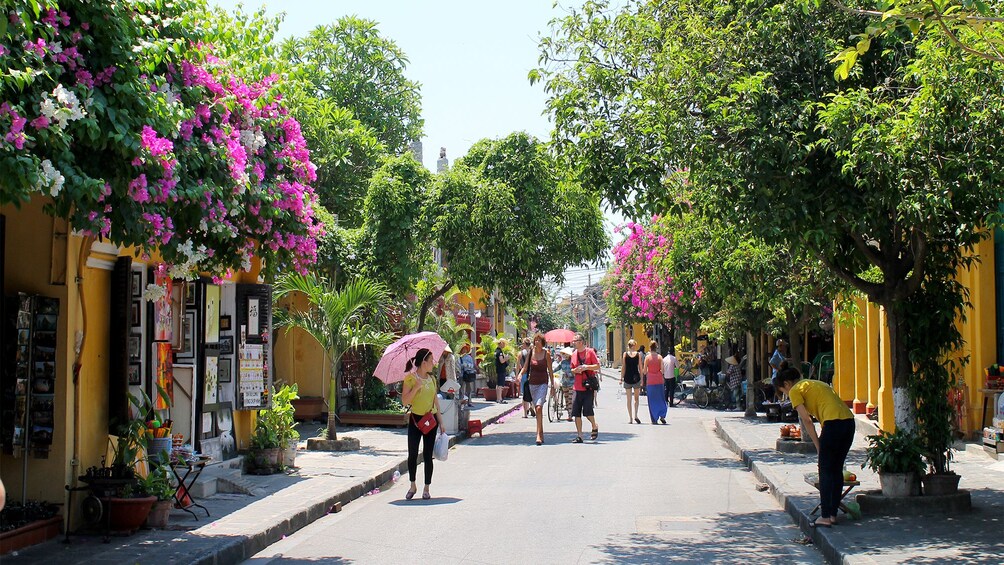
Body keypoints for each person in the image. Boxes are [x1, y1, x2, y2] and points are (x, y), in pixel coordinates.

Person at [772, 366, 855, 528]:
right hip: (849, 423)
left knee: (824, 469)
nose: (787, 396)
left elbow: (807, 421)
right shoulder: (815, 383)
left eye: (784, 391)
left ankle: (824, 516)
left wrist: (818, 445)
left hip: (832, 425)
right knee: (836, 469)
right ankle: (832, 514)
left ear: (787, 384)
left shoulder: (795, 390)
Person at [400, 348, 445, 500]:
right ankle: (412, 485)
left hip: (430, 420)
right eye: (431, 360)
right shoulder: (410, 379)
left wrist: (441, 420)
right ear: (423, 362)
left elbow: (435, 401)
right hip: (415, 421)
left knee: (427, 454)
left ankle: (426, 488)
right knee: (412, 454)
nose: (433, 363)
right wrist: (416, 388)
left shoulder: (432, 379)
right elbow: (405, 401)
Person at [519, 333, 555, 445]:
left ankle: (538, 434)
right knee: (536, 407)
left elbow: (550, 370)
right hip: (532, 383)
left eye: (539, 340)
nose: (536, 342)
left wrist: (553, 386)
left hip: (543, 383)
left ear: (542, 343)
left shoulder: (546, 354)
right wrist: (520, 375)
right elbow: (525, 367)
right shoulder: (531, 353)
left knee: (539, 407)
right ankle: (541, 431)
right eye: (535, 340)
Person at [570, 333, 601, 443]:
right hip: (577, 387)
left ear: (581, 342)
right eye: (573, 341)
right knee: (576, 412)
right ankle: (580, 435)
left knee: (588, 412)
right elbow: (572, 369)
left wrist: (586, 367)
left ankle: (594, 425)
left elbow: (597, 366)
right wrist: (576, 370)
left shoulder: (590, 352)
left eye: (575, 340)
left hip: (588, 387)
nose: (573, 342)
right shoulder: (573, 354)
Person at [620, 339, 643, 424]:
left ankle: (630, 418)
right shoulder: (638, 354)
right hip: (636, 377)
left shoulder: (625, 354)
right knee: (636, 399)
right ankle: (636, 415)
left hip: (627, 378)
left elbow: (623, 367)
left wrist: (621, 378)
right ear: (634, 345)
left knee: (628, 399)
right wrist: (642, 379)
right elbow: (640, 367)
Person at [645, 342, 667, 424]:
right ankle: (662, 415)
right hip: (659, 380)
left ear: (650, 348)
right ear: (656, 348)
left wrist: (649, 371)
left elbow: (644, 371)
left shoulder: (647, 358)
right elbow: (662, 370)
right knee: (661, 398)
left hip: (650, 380)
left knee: (652, 400)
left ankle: (654, 418)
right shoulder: (660, 357)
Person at [517, 338, 535, 417]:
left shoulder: (520, 353)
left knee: (525, 394)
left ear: (524, 344)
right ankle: (532, 406)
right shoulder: (533, 352)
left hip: (524, 374)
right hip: (532, 374)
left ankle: (525, 414)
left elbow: (518, 365)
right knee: (533, 392)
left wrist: (517, 375)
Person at [557, 347, 575, 421]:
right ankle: (569, 412)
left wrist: (570, 374)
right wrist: (550, 370)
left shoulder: (573, 362)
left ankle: (570, 415)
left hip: (572, 382)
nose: (565, 355)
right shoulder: (562, 362)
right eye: (564, 354)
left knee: (570, 399)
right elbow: (557, 368)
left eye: (566, 354)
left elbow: (575, 371)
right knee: (566, 399)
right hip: (564, 382)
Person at [494, 339, 510, 404]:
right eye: (503, 344)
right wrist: (506, 358)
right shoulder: (499, 352)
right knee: (500, 385)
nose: (504, 345)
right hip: (501, 369)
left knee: (498, 385)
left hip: (498, 369)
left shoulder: (496, 351)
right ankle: (499, 398)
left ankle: (498, 398)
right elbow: (501, 361)